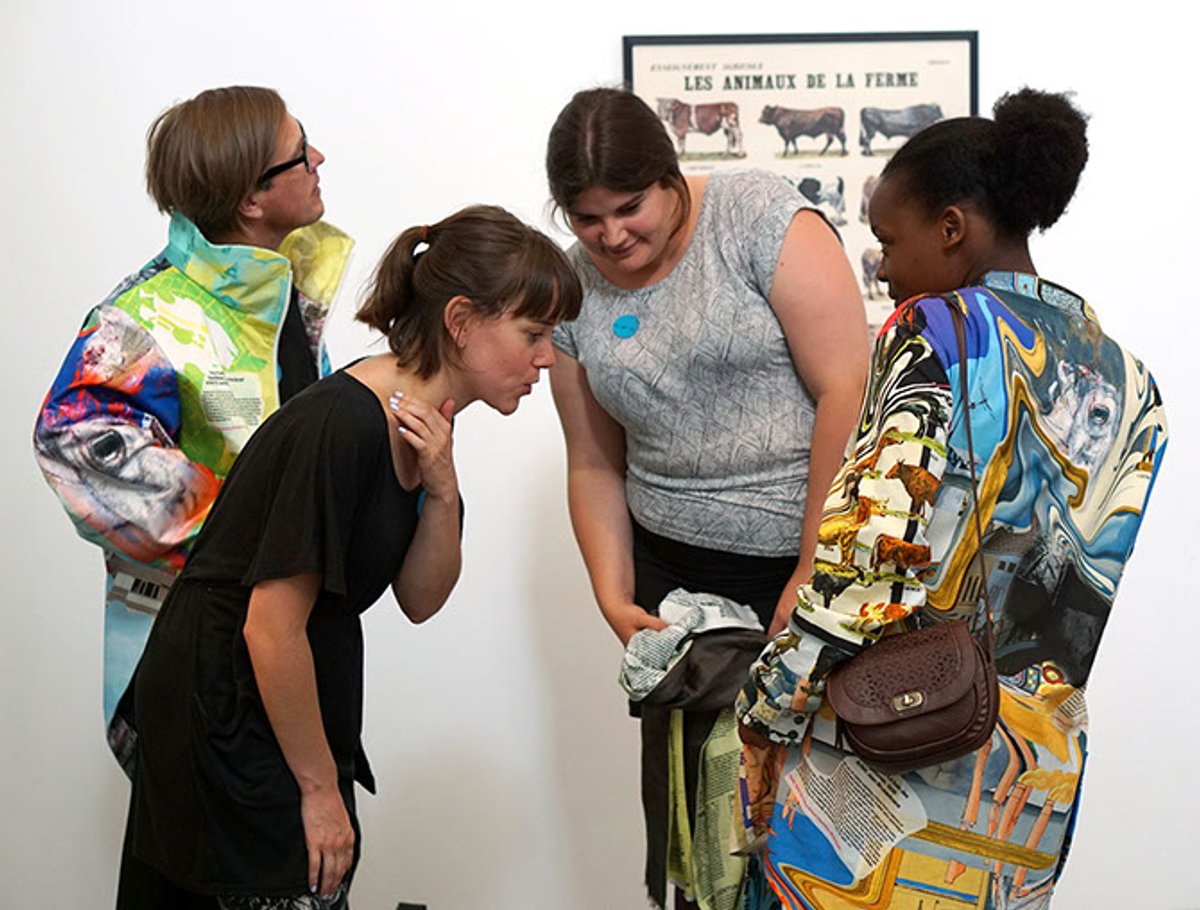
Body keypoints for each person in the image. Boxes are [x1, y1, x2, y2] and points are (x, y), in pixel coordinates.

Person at [736, 89, 1168, 909]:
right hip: (1027, 777)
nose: (883, 268)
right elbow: (1077, 599)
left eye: (888, 241)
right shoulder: (1134, 383)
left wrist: (769, 704)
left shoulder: (932, 330)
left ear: (952, 227)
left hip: (883, 758)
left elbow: (871, 557)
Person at [112, 205, 583, 909]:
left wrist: (443, 491)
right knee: (300, 878)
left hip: (281, 691)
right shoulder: (343, 422)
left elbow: (421, 598)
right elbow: (269, 627)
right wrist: (319, 788)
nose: (547, 357)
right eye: (533, 333)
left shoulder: (423, 426)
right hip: (223, 700)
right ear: (460, 320)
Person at [545, 87, 870, 910]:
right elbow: (593, 461)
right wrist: (612, 595)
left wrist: (813, 565)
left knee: (817, 832)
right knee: (708, 839)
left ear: (670, 175)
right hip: (679, 594)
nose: (612, 236)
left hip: (804, 569)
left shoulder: (757, 216)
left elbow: (846, 387)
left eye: (629, 207)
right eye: (586, 219)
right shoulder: (573, 289)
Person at [32, 86, 353, 744]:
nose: (319, 157)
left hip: (284, 648)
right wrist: (251, 533)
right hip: (193, 664)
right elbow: (70, 439)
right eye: (300, 152)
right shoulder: (147, 316)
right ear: (252, 199)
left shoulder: (280, 300)